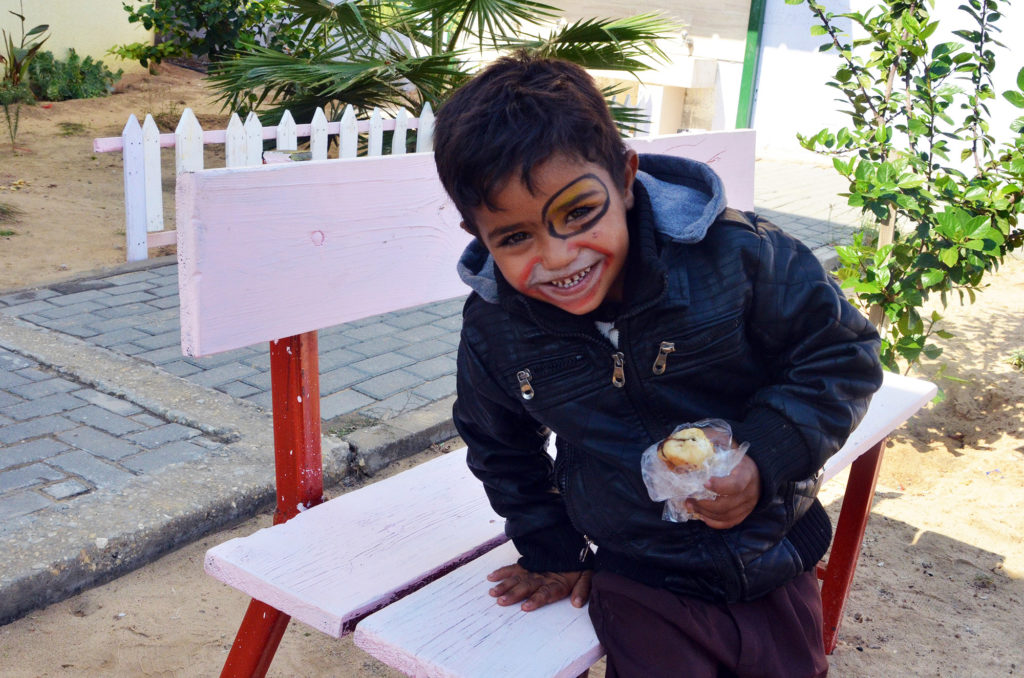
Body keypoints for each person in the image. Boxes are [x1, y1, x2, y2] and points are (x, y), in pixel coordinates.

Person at [432, 52, 883, 678]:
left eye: (578, 212)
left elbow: (841, 355)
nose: (558, 256)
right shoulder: (497, 328)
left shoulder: (741, 258)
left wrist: (768, 457)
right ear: (479, 235)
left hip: (772, 545)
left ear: (624, 177)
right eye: (514, 237)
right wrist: (553, 547)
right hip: (638, 570)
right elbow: (497, 441)